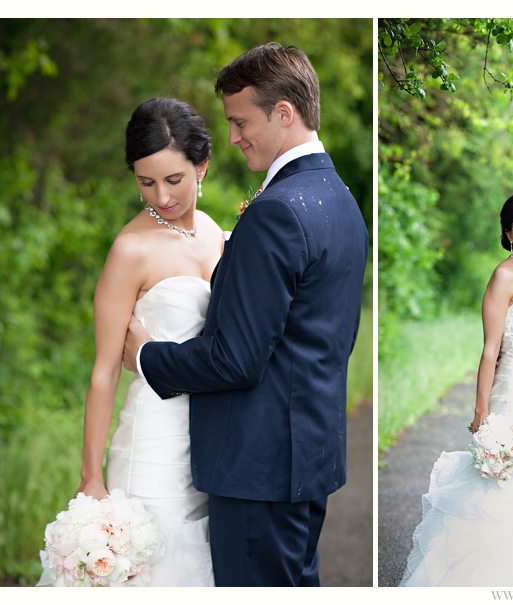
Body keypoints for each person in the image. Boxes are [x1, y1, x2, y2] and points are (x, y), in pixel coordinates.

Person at [122, 43, 369, 587]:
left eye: (240, 121)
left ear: (284, 113)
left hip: (258, 467)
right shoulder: (340, 199)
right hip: (307, 454)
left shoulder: (277, 211)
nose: (232, 137)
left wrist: (145, 356)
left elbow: (236, 360)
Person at [38, 97, 223, 586]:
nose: (160, 196)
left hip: (210, 441)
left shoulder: (214, 234)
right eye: (146, 182)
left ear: (202, 166)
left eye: (174, 180)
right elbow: (103, 371)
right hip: (153, 444)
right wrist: (90, 476)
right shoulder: (130, 250)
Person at [399, 193, 513, 587]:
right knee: (503, 485)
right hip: (511, 392)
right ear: (508, 234)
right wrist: (481, 412)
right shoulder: (504, 276)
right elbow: (489, 351)